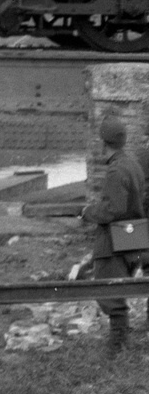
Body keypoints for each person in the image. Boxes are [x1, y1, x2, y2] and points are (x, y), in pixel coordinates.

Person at [82, 116, 147, 357]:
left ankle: (117, 346)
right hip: (132, 236)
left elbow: (111, 210)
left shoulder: (116, 170)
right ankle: (121, 340)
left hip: (114, 238)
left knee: (108, 288)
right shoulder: (133, 165)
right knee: (119, 286)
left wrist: (87, 212)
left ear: (102, 144)